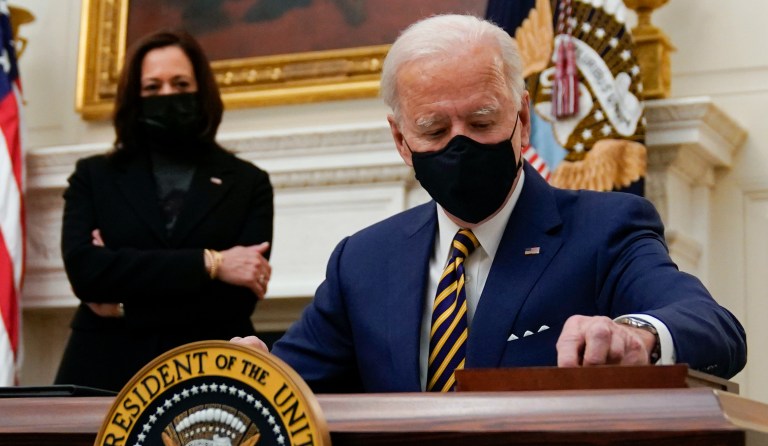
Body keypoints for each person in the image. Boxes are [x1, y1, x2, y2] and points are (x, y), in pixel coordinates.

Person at [233, 14, 746, 393]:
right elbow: (291, 386)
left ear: (522, 120)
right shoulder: (363, 260)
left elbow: (714, 327)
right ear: (400, 139)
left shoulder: (605, 228)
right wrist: (253, 372)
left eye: (481, 123)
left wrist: (637, 334)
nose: (460, 145)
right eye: (434, 129)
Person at [55, 30, 274, 392]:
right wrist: (212, 263)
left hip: (208, 374)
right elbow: (86, 273)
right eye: (153, 87)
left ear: (201, 90)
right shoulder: (93, 176)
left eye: (181, 83)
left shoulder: (248, 181)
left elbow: (234, 303)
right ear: (134, 97)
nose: (168, 95)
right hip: (102, 369)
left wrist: (123, 300)